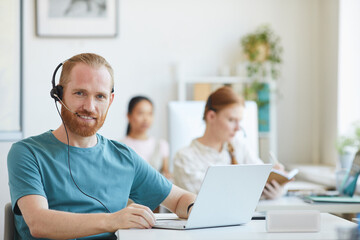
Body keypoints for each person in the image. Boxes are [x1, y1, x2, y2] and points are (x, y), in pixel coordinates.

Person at [7, 53, 196, 240]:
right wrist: (113, 220)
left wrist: (196, 208)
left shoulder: (124, 157)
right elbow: (39, 222)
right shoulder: (27, 153)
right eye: (80, 93)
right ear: (60, 94)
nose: (89, 106)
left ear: (110, 101)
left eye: (100, 96)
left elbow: (180, 199)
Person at [173, 86, 285, 199]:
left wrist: (277, 186)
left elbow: (262, 175)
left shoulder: (240, 147)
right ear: (211, 116)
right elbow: (211, 197)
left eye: (239, 121)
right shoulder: (184, 158)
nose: (238, 128)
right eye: (231, 120)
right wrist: (256, 190)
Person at [122, 96, 171, 179]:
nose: (145, 118)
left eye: (149, 114)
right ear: (129, 116)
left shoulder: (161, 145)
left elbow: (166, 174)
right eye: (140, 113)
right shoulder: (119, 146)